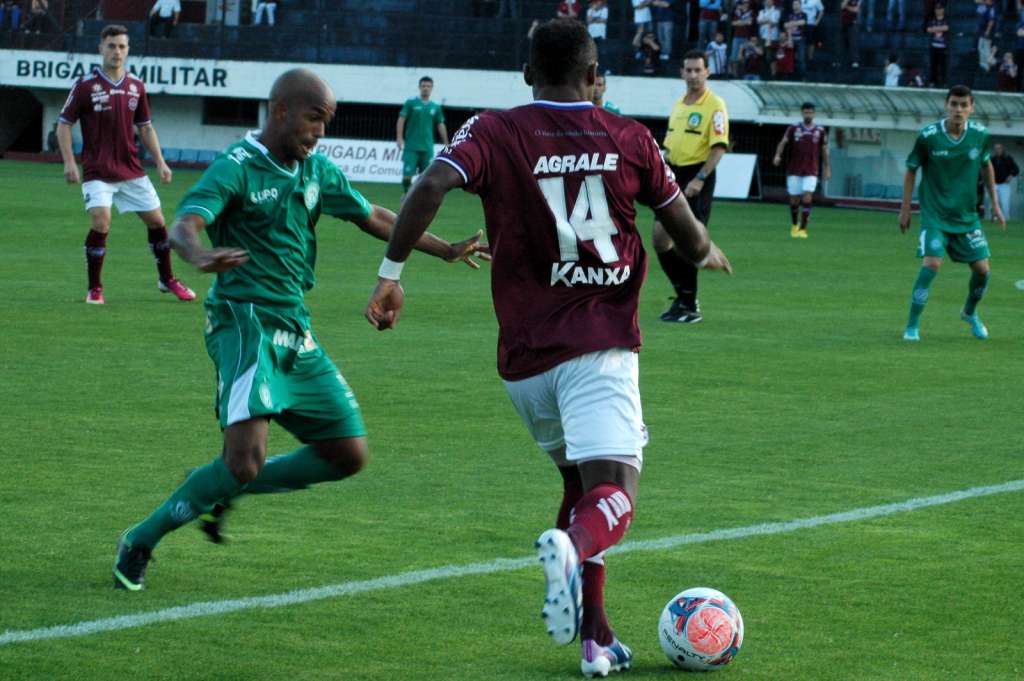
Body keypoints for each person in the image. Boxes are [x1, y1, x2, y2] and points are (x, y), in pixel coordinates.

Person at [364, 19, 731, 678]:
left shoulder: (493, 130)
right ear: (596, 78)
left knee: (578, 484)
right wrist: (707, 250)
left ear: (528, 75)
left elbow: (429, 187)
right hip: (599, 346)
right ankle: (570, 545)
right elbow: (682, 230)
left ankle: (597, 639)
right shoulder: (630, 137)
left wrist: (392, 276)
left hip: (525, 362)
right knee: (615, 494)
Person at [111, 68, 489, 592]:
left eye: (327, 123)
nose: (320, 132)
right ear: (282, 111)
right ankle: (140, 540)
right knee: (243, 458)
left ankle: (215, 486)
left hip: (294, 327)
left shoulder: (317, 170)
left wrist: (444, 249)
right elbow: (184, 224)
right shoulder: (237, 167)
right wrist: (199, 254)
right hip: (243, 323)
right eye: (315, 119)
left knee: (347, 455)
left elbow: (374, 214)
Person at [56, 24, 194, 305]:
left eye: (121, 46)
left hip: (131, 169)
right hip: (97, 170)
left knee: (157, 222)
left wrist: (161, 162)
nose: (116, 52)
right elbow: (63, 124)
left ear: (128, 50)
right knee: (101, 221)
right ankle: (95, 288)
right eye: (111, 46)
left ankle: (167, 279)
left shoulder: (136, 86)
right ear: (100, 49)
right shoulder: (85, 86)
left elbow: (145, 128)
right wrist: (69, 162)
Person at [899, 85, 1006, 343]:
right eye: (954, 104)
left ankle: (969, 313)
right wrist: (904, 208)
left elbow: (986, 165)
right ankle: (912, 326)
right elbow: (912, 169)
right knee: (933, 263)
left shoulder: (980, 135)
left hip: (966, 216)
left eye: (963, 105)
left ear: (972, 107)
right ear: (946, 105)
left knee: (982, 270)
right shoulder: (928, 136)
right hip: (935, 214)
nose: (958, 109)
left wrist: (996, 204)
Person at [654, 49, 729, 323]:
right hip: (672, 174)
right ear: (682, 72)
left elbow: (719, 146)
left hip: (695, 175)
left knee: (687, 240)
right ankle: (683, 295)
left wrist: (700, 177)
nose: (693, 75)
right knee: (660, 239)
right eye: (689, 70)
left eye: (699, 70)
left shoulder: (715, 105)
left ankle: (689, 306)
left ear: (708, 72)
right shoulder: (680, 104)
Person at [772, 102, 830, 238]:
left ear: (814, 114)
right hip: (794, 169)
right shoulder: (793, 128)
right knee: (794, 199)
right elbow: (783, 142)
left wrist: (827, 168)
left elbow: (824, 150)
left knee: (807, 196)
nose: (808, 114)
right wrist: (777, 155)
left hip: (811, 170)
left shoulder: (820, 131)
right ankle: (794, 225)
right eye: (805, 112)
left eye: (810, 112)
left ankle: (803, 229)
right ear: (801, 113)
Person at [396, 76, 448, 194]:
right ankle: (407, 196)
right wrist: (399, 138)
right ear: (419, 87)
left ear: (432, 88)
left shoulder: (435, 106)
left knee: (427, 180)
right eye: (423, 86)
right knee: (406, 178)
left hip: (427, 148)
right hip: (411, 147)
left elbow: (440, 124)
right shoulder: (411, 103)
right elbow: (401, 119)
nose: (426, 88)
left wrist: (446, 142)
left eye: (428, 86)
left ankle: (418, 202)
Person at [990, 143, 1019, 220]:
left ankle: (1006, 219)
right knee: (993, 203)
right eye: (995, 149)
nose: (997, 150)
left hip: (1004, 185)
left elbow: (1016, 170)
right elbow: (987, 170)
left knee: (1005, 203)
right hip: (994, 184)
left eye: (999, 149)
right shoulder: (992, 159)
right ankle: (993, 219)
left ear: (1002, 149)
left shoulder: (1008, 158)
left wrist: (1010, 176)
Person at [927, 5, 949, 87]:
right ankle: (933, 82)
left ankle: (944, 82)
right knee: (933, 65)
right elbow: (929, 29)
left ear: (943, 10)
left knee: (943, 65)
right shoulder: (932, 20)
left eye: (940, 9)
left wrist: (935, 29)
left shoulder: (946, 20)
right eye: (937, 9)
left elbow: (946, 28)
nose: (938, 11)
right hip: (934, 46)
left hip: (943, 46)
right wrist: (940, 28)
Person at [839, 0, 861, 68]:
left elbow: (856, 10)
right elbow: (841, 6)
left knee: (853, 43)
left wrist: (847, 7)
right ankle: (839, 61)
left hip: (853, 23)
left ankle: (855, 61)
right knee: (841, 43)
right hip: (843, 22)